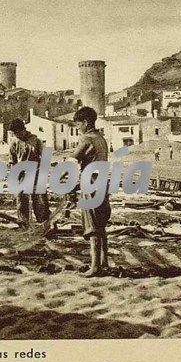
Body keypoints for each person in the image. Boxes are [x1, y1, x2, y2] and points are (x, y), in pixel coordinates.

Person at [69, 107, 111, 277]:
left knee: (92, 225)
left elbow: (73, 160)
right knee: (101, 223)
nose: (78, 128)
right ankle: (104, 261)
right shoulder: (101, 138)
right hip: (102, 182)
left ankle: (95, 267)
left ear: (86, 123)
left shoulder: (86, 138)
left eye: (78, 124)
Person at [8, 118, 51, 228]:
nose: (16, 135)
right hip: (21, 175)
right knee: (22, 201)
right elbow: (12, 161)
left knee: (40, 200)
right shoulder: (14, 143)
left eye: (17, 132)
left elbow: (45, 157)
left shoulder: (35, 140)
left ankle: (44, 224)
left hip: (36, 174)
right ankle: (24, 224)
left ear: (23, 130)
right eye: (14, 133)